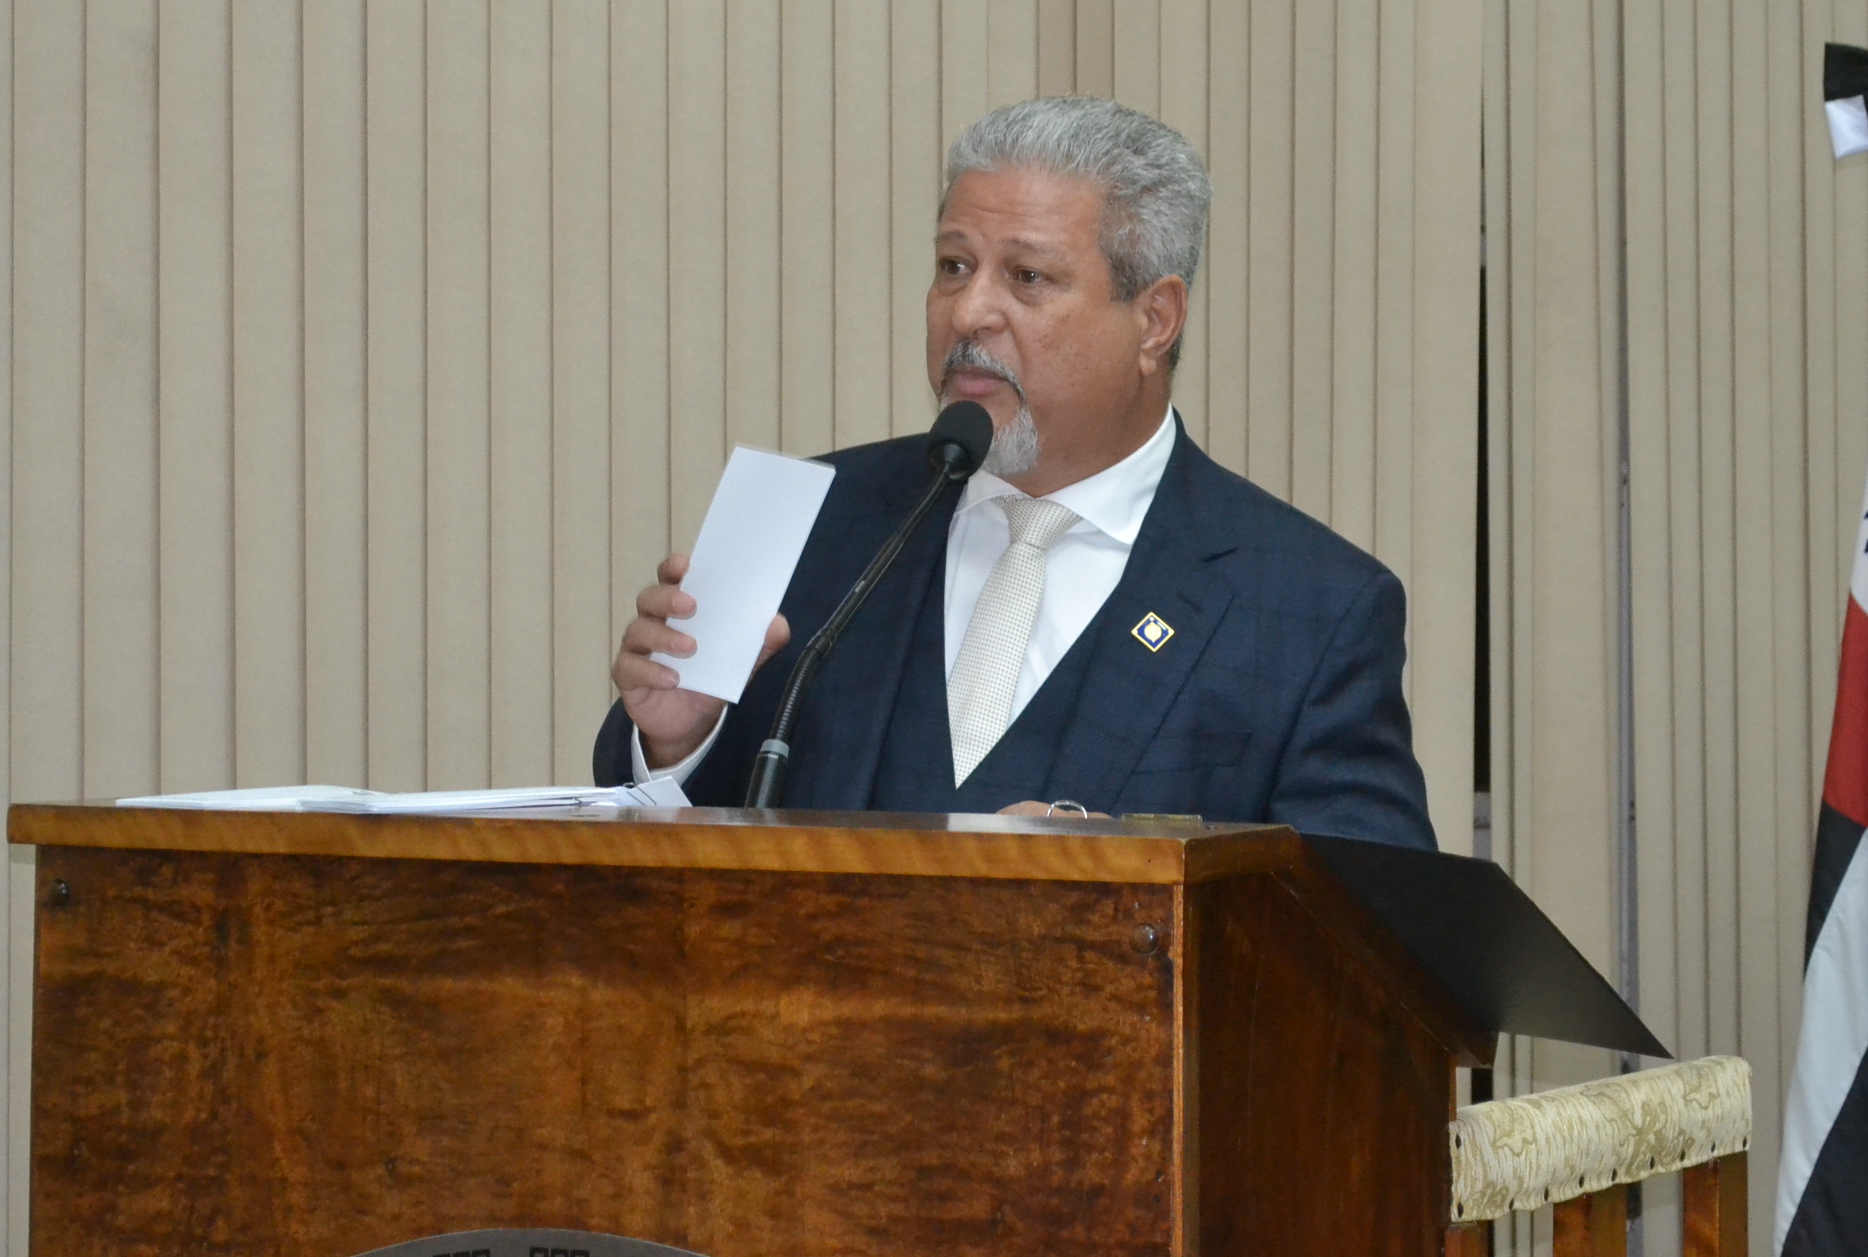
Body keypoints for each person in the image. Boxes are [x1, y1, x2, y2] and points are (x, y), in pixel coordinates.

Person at [593, 96, 1432, 848]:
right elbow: (670, 865)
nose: (968, 312)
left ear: (1155, 320)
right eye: (954, 266)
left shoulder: (1310, 608)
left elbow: (1369, 936)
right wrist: (676, 744)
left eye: (1027, 278)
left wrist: (1140, 882)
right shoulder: (813, 519)